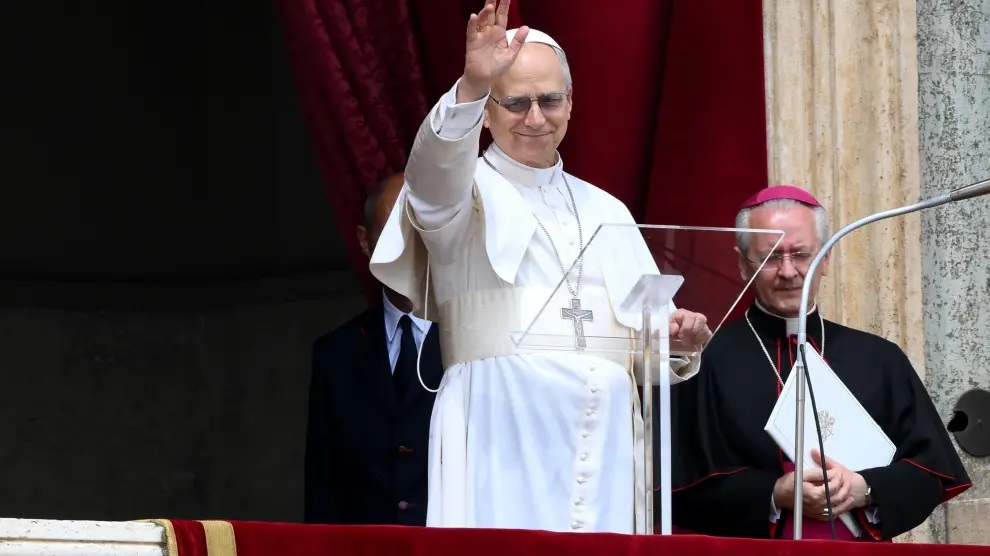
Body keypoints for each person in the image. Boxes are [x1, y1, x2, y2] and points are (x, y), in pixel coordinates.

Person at [368, 0, 712, 534]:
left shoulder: (608, 210)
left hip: (605, 448)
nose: (535, 117)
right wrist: (469, 85)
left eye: (550, 100)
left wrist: (678, 340)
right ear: (486, 111)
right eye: (516, 102)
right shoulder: (463, 194)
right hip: (500, 427)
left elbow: (649, 341)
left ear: (572, 102)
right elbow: (430, 182)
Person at [670, 185, 972, 541]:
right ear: (741, 263)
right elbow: (677, 490)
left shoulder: (879, 358)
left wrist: (865, 488)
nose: (788, 271)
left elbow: (932, 471)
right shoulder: (705, 361)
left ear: (825, 259)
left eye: (801, 254)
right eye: (770, 258)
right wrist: (775, 493)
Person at [304, 172, 444, 526]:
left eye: (419, 231)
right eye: (393, 234)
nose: (408, 248)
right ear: (365, 243)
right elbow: (325, 494)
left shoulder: (475, 339)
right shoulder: (336, 356)